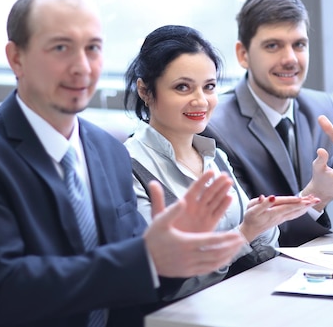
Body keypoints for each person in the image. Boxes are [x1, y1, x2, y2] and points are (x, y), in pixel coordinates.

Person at [0, 0, 246, 327]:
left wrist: (176, 252)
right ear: (16, 58)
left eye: (92, 48)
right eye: (61, 48)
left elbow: (140, 281)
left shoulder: (108, 151)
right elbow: (7, 290)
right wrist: (147, 258)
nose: (82, 67)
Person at [123, 24, 320, 299]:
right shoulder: (128, 167)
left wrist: (263, 224)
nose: (200, 101)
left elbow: (261, 253)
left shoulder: (216, 157)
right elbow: (165, 283)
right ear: (145, 91)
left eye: (209, 87)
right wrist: (243, 234)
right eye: (183, 87)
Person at [202, 0, 333, 246]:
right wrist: (317, 196)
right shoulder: (214, 126)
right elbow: (249, 234)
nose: (290, 59)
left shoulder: (320, 106)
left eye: (299, 45)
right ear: (243, 55)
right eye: (273, 46)